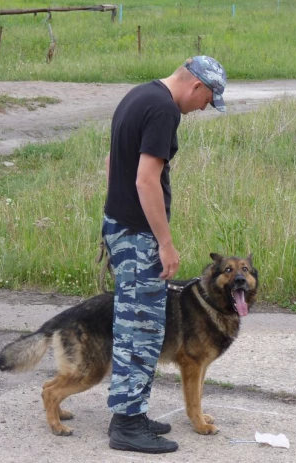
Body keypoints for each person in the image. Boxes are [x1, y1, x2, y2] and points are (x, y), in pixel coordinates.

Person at [102, 56, 227, 454]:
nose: (205, 107)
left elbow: (112, 164)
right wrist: (165, 243)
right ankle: (126, 425)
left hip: (122, 228)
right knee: (142, 331)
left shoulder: (138, 95)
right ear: (195, 86)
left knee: (134, 326)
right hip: (139, 237)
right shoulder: (163, 110)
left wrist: (115, 220)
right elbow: (145, 179)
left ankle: (132, 414)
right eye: (208, 98)